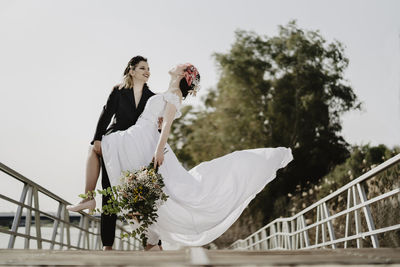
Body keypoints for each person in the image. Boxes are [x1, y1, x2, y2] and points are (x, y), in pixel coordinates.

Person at [100, 63, 293, 250]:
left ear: (183, 73)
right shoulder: (168, 92)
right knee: (150, 194)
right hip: (141, 138)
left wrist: (159, 150)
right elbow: (160, 120)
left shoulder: (174, 95)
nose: (175, 64)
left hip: (148, 143)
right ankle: (151, 244)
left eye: (181, 64)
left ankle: (94, 201)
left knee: (157, 190)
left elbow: (167, 125)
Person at [67, 55, 162, 250]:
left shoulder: (152, 97)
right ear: (132, 70)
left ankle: (153, 243)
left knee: (140, 195)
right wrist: (98, 138)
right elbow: (106, 114)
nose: (147, 71)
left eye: (148, 68)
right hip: (114, 141)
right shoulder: (118, 92)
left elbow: (153, 126)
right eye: (142, 67)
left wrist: (160, 127)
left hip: (136, 147)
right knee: (109, 192)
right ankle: (107, 245)